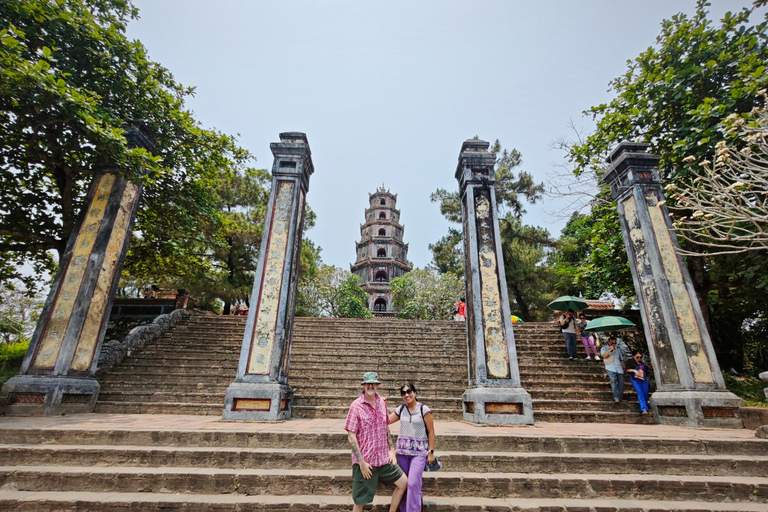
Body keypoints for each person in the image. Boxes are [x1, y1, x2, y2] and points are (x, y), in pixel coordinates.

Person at [344, 372, 407, 512]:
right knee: (360, 502)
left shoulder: (381, 403)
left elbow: (386, 427)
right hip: (366, 462)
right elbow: (351, 436)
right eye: (368, 383)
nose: (370, 386)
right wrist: (361, 463)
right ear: (364, 386)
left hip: (383, 459)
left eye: (373, 383)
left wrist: (391, 450)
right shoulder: (356, 406)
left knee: (403, 483)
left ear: (377, 385)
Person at [389, 382, 436, 512]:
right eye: (403, 393)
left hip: (419, 453)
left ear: (415, 393)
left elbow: (431, 432)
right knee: (404, 485)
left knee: (413, 484)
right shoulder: (401, 410)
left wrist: (430, 451)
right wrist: (380, 404)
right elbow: (385, 420)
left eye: (409, 391)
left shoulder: (424, 410)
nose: (407, 395)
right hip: (402, 453)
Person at [600, 336, 625, 402]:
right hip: (610, 367)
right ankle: (616, 398)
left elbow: (621, 359)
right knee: (613, 381)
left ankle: (620, 397)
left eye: (615, 343)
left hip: (619, 367)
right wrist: (610, 350)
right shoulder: (604, 348)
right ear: (608, 342)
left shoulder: (618, 349)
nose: (614, 344)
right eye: (612, 343)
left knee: (621, 383)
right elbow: (604, 356)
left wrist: (624, 367)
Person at [626, 350, 651, 414]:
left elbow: (648, 369)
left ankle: (645, 407)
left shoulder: (642, 362)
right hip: (635, 379)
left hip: (643, 379)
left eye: (640, 357)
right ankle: (644, 409)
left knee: (645, 392)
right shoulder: (630, 362)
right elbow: (627, 370)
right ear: (634, 356)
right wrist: (634, 371)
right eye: (637, 357)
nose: (639, 359)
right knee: (640, 392)